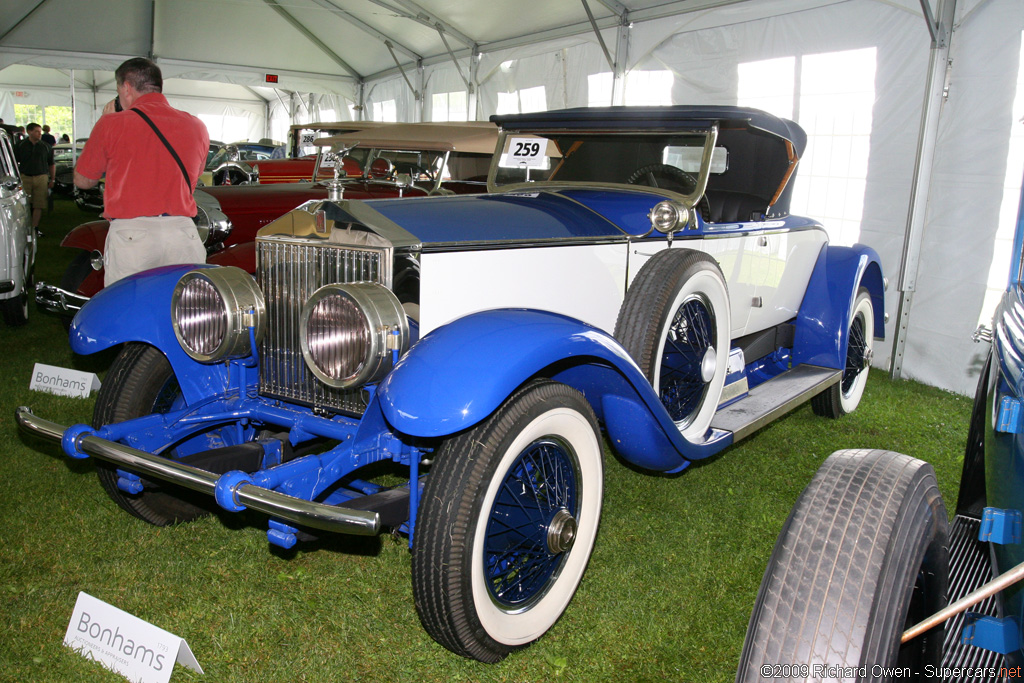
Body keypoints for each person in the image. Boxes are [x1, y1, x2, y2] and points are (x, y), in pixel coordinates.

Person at [74, 57, 209, 286]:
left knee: (130, 310)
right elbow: (193, 179)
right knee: (183, 313)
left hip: (133, 236)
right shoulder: (197, 125)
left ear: (126, 87)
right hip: (183, 233)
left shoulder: (111, 124)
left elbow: (83, 180)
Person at [13, 122, 55, 237]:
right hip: (25, 176)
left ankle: (34, 228)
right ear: (29, 132)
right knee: (24, 204)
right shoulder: (20, 145)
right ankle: (25, 228)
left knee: (39, 204)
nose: (39, 134)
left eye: (40, 132)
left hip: (41, 176)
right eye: (36, 131)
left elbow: (51, 164)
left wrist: (52, 179)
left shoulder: (46, 146)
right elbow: (14, 163)